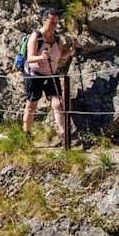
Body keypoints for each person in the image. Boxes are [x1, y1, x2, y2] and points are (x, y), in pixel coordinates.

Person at [23, 9, 76, 141]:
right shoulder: (36, 36)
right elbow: (29, 58)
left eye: (56, 22)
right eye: (51, 22)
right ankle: (26, 135)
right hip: (34, 75)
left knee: (58, 103)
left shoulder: (57, 38)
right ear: (44, 20)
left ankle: (64, 135)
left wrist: (70, 52)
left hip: (51, 74)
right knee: (32, 105)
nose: (54, 25)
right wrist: (41, 57)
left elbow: (58, 56)